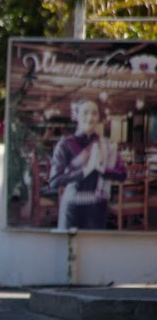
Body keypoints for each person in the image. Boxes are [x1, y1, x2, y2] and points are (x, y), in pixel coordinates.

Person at [48, 98, 127, 229]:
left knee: (96, 247)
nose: (90, 117)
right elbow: (54, 181)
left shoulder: (107, 144)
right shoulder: (65, 143)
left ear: (98, 117)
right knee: (68, 247)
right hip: (72, 209)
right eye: (85, 112)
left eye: (94, 113)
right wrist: (86, 170)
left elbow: (122, 175)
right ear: (76, 116)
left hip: (98, 208)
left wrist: (102, 170)